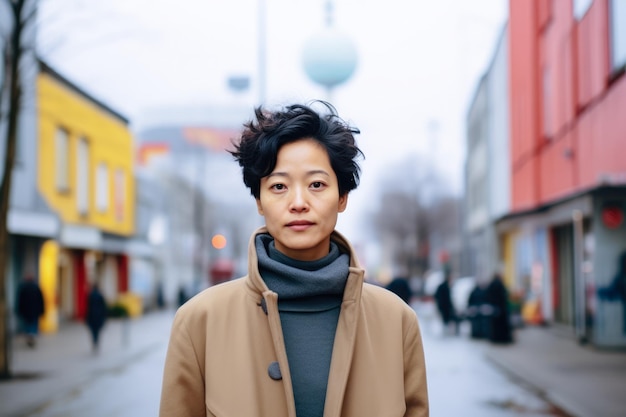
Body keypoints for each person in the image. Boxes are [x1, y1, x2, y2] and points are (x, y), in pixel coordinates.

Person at [160, 101, 429, 417]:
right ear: (259, 201)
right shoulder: (199, 321)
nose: (298, 202)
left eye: (317, 184)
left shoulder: (397, 321)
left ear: (342, 197)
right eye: (278, 186)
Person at [16, 275, 45, 348]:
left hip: (27, 311)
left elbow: (20, 301)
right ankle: (32, 336)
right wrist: (42, 310)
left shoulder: (23, 288)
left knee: (28, 324)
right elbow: (41, 300)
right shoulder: (36, 288)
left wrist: (19, 310)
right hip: (35, 311)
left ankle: (29, 336)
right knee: (33, 324)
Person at [485, 273, 513, 344]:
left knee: (494, 325)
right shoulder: (499, 284)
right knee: (501, 326)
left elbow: (488, 295)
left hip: (494, 308)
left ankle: (495, 338)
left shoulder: (491, 285)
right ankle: (502, 339)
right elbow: (503, 296)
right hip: (501, 308)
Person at [434, 270, 458, 335]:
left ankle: (445, 331)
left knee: (445, 319)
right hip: (445, 306)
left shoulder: (443, 286)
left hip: (443, 306)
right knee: (446, 319)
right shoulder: (445, 287)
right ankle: (445, 331)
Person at [86, 283, 108, 353]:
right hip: (99, 316)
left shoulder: (90, 295)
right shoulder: (100, 295)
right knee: (97, 331)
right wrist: (105, 316)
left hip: (91, 316)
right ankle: (96, 341)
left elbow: (88, 307)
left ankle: (94, 341)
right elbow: (104, 307)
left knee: (93, 331)